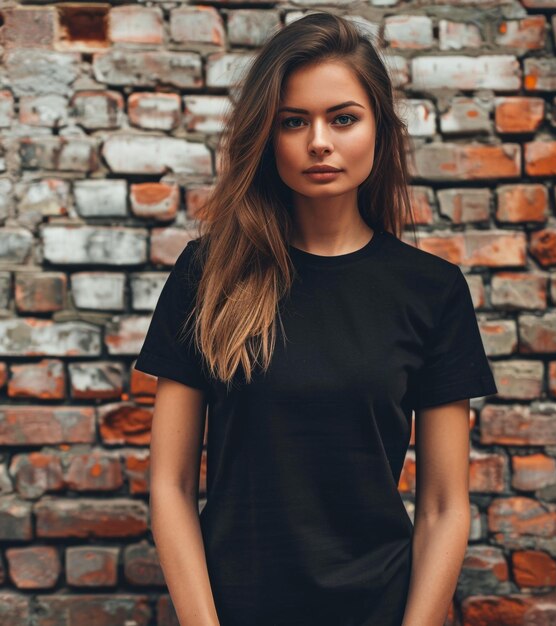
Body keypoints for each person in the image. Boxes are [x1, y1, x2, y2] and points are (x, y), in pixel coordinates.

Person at [134, 11, 498, 626]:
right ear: (266, 136)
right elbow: (169, 486)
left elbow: (442, 505)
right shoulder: (209, 275)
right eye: (294, 122)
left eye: (343, 118)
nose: (319, 142)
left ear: (378, 128)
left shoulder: (431, 291)